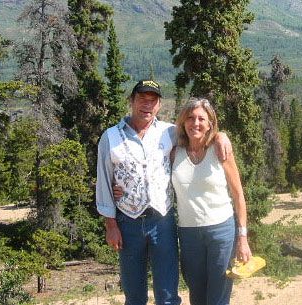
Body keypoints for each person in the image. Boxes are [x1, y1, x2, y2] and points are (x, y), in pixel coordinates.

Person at [96, 80, 231, 305]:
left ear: (159, 105)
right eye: (142, 99)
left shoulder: (169, 133)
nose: (147, 105)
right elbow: (103, 182)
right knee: (134, 295)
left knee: (168, 295)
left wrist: (221, 135)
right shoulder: (110, 137)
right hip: (127, 222)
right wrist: (111, 225)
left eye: (153, 101)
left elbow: (199, 133)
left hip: (163, 221)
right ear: (131, 101)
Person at [171, 97, 252, 305]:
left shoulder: (220, 150)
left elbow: (238, 195)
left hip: (221, 232)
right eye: (190, 118)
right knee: (197, 297)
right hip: (188, 234)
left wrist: (243, 238)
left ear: (210, 124)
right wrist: (122, 190)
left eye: (201, 119)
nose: (195, 123)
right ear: (183, 122)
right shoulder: (174, 152)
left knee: (218, 298)